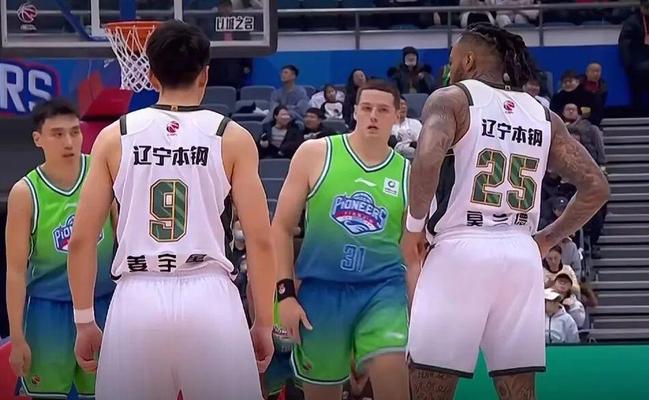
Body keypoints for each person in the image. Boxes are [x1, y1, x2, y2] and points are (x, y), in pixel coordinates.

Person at [66, 20, 275, 400]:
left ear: (150, 75)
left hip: (137, 296)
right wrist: (263, 321)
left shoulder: (114, 137)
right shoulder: (232, 137)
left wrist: (84, 321)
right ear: (205, 75)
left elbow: (81, 240)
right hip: (210, 295)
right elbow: (260, 241)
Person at [403, 23, 609, 400]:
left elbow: (428, 157)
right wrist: (546, 238)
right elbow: (597, 186)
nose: (449, 68)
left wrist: (413, 228)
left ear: (468, 60)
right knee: (517, 387)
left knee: (431, 381)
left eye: (452, 60)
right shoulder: (543, 116)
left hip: (460, 249)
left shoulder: (452, 99)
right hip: (520, 254)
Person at [272, 80, 410, 400]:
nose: (373, 115)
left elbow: (411, 252)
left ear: (397, 116)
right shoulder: (315, 153)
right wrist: (285, 295)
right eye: (367, 108)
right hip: (322, 291)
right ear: (355, 111)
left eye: (383, 110)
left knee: (393, 380)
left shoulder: (408, 173)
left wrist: (418, 305)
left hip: (382, 292)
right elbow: (280, 228)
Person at [5, 98, 116, 399]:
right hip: (47, 311)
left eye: (75, 132)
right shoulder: (25, 193)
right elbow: (15, 271)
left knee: (106, 392)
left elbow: (124, 240)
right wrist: (17, 337)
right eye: (57, 134)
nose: (69, 142)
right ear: (38, 139)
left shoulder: (103, 172)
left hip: (102, 303)